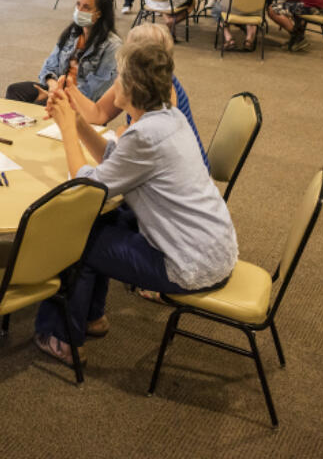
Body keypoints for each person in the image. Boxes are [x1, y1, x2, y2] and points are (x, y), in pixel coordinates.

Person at [33, 42, 237, 366]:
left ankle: (62, 337)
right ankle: (92, 317)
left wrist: (67, 129)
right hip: (213, 249)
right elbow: (114, 162)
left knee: (73, 238)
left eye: (118, 77)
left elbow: (87, 187)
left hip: (189, 265)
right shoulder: (169, 118)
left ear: (129, 87)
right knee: (104, 222)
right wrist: (77, 121)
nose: (114, 82)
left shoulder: (144, 137)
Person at [56, 21, 208, 167]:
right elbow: (99, 113)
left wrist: (123, 133)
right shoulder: (137, 82)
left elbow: (135, 142)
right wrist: (71, 90)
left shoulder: (163, 96)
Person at [5, 0, 120, 103]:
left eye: (86, 7)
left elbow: (95, 91)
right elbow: (49, 65)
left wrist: (58, 96)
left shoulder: (112, 46)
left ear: (99, 14)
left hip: (81, 101)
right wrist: (52, 84)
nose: (79, 10)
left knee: (39, 106)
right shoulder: (73, 33)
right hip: (59, 90)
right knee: (15, 90)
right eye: (78, 5)